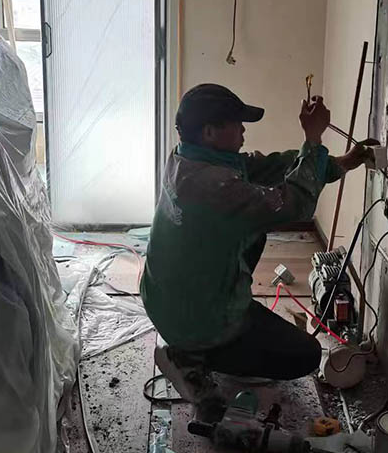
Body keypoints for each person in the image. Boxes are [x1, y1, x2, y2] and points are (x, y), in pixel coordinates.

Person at [140, 83, 372, 399]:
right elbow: (295, 204)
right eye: (237, 123)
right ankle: (189, 357)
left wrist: (343, 161)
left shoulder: (187, 158)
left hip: (165, 299)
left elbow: (270, 166)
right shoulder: (214, 186)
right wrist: (313, 138)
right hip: (193, 321)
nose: (243, 130)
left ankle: (215, 330)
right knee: (306, 355)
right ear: (209, 132)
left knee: (254, 236)